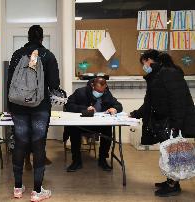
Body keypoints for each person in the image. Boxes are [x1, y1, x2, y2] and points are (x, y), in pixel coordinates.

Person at [130, 49, 195, 197]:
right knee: (167, 152)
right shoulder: (156, 75)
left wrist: (176, 124)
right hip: (164, 121)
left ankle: (173, 186)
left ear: (149, 60)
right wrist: (135, 114)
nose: (143, 66)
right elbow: (150, 103)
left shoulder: (169, 73)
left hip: (172, 121)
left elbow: (178, 101)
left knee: (173, 153)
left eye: (143, 63)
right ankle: (170, 181)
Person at [7, 25, 60, 201]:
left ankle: (17, 188)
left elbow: (10, 83)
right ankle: (37, 192)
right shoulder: (48, 56)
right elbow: (54, 84)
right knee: (38, 145)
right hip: (40, 107)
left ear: (28, 37)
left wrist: (10, 106)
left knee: (20, 142)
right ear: (42, 38)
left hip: (18, 107)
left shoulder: (17, 54)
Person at [63, 77, 123, 172]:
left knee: (107, 131)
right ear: (92, 86)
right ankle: (76, 161)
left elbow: (118, 105)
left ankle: (102, 160)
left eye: (102, 91)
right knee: (74, 130)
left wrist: (114, 109)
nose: (100, 93)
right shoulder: (80, 92)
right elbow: (68, 105)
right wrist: (84, 109)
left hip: (99, 124)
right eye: (98, 91)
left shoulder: (106, 93)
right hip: (81, 124)